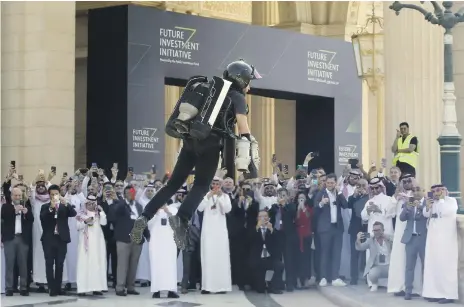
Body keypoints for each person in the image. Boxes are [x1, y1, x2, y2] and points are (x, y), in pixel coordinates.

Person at [131, 59, 261, 249]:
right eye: (249, 82)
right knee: (201, 185)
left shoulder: (208, 89)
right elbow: (242, 126)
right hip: (211, 143)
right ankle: (182, 219)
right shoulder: (237, 97)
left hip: (191, 140)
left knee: (172, 184)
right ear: (241, 80)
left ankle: (143, 217)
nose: (249, 87)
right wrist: (248, 147)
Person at [422, 184, 458, 304]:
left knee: (445, 266)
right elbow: (425, 214)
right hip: (433, 238)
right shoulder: (433, 202)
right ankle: (434, 293)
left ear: (444, 190)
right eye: (433, 191)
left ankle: (448, 294)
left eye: (438, 190)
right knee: (433, 265)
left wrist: (442, 199)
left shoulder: (451, 201)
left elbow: (445, 212)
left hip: (446, 239)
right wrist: (428, 206)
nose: (435, 193)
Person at [40, 184, 77, 297]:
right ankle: (51, 288)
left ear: (59, 194)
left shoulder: (64, 206)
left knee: (60, 264)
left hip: (62, 239)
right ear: (49, 195)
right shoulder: (45, 207)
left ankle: (58, 287)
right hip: (49, 239)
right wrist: (51, 207)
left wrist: (66, 203)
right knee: (49, 264)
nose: (54, 196)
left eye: (56, 194)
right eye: (52, 194)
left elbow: (73, 213)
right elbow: (43, 218)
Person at [355, 221, 392, 292]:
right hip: (378, 266)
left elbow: (397, 241)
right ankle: (374, 284)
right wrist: (358, 239)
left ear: (383, 230)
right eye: (374, 230)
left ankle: (392, 285)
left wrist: (387, 238)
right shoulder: (370, 240)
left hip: (390, 265)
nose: (376, 232)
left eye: (378, 230)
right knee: (372, 273)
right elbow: (359, 248)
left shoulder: (389, 237)